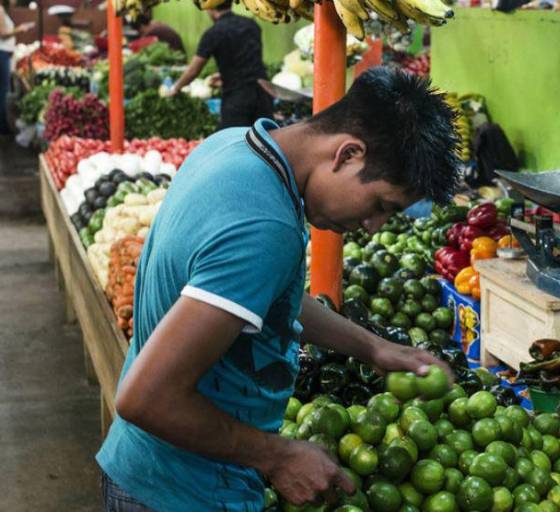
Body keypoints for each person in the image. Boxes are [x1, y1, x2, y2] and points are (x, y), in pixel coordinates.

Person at [96, 66, 462, 511]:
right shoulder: (264, 226)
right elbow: (144, 397)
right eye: (380, 205)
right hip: (183, 492)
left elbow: (264, 296)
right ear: (347, 154)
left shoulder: (234, 147)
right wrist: (278, 456)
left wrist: (373, 348)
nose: (372, 226)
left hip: (150, 475)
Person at [169, 0, 273, 129]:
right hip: (263, 93)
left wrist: (175, 88)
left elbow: (193, 70)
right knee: (266, 140)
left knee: (234, 142)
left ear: (209, 8)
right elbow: (249, 59)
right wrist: (225, 74)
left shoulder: (213, 33)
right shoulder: (251, 24)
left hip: (237, 99)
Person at [0, 3, 32, 135]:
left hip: (3, 53)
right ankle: (2, 127)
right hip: (2, 54)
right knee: (3, 90)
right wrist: (20, 29)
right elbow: (3, 34)